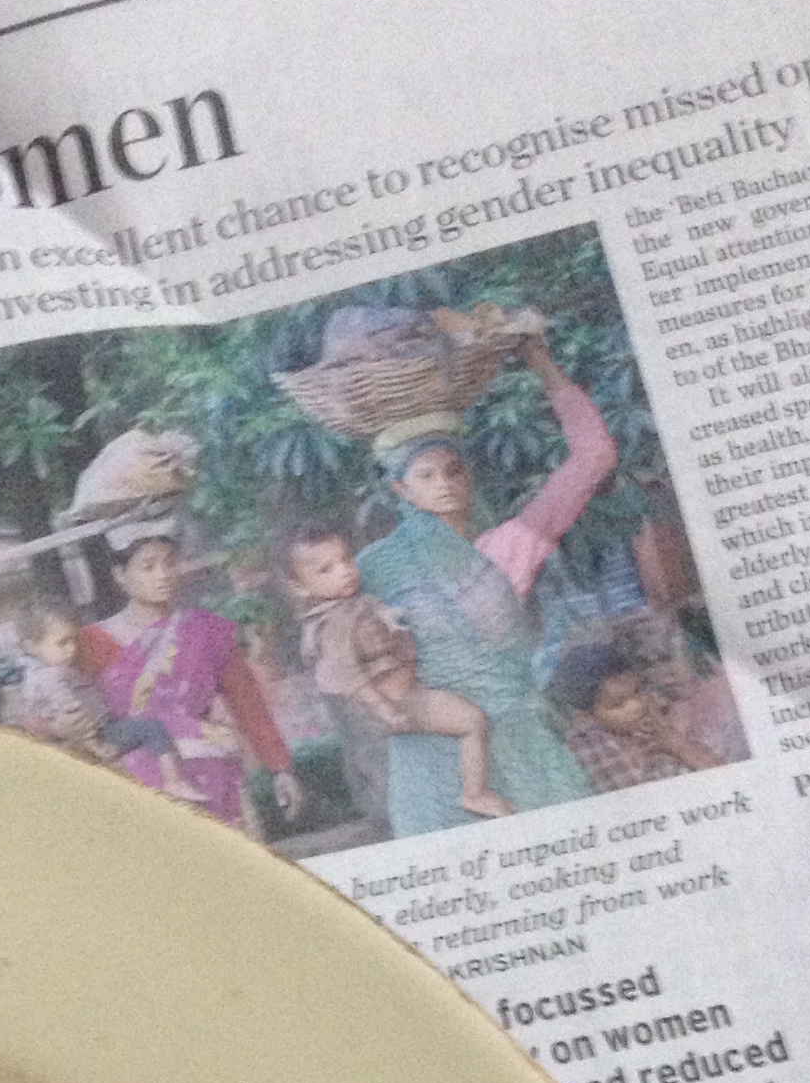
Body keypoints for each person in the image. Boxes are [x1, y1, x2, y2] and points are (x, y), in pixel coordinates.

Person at [352, 337, 610, 836]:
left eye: (454, 470)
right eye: (425, 475)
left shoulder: (512, 544)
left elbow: (595, 456)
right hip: (432, 749)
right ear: (399, 490)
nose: (445, 483)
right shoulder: (375, 567)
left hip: (521, 741)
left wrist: (541, 361)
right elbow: (342, 649)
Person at [85, 523, 304, 835]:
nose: (163, 575)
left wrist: (281, 769)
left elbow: (248, 704)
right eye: (148, 566)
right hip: (131, 784)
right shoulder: (91, 643)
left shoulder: (208, 632)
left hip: (210, 773)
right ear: (120, 575)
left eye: (169, 563)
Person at [279, 527, 509, 822]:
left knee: (468, 718)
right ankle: (474, 794)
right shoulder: (335, 623)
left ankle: (472, 792)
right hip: (395, 703)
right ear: (301, 587)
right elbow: (353, 677)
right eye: (327, 570)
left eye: (346, 560)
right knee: (471, 721)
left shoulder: (357, 604)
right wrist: (385, 709)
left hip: (408, 691)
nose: (345, 571)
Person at [1, 599, 195, 790]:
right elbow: (73, 716)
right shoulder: (49, 676)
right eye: (62, 643)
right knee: (151, 727)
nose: (72, 649)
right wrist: (96, 746)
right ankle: (175, 781)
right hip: (96, 736)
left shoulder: (42, 673)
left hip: (93, 734)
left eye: (74, 640)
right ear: (31, 646)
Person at [552, 631, 725, 786]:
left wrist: (678, 744)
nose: (637, 705)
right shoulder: (591, 747)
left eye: (637, 691)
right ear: (586, 717)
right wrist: (674, 748)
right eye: (618, 705)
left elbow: (718, 768)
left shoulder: (651, 709)